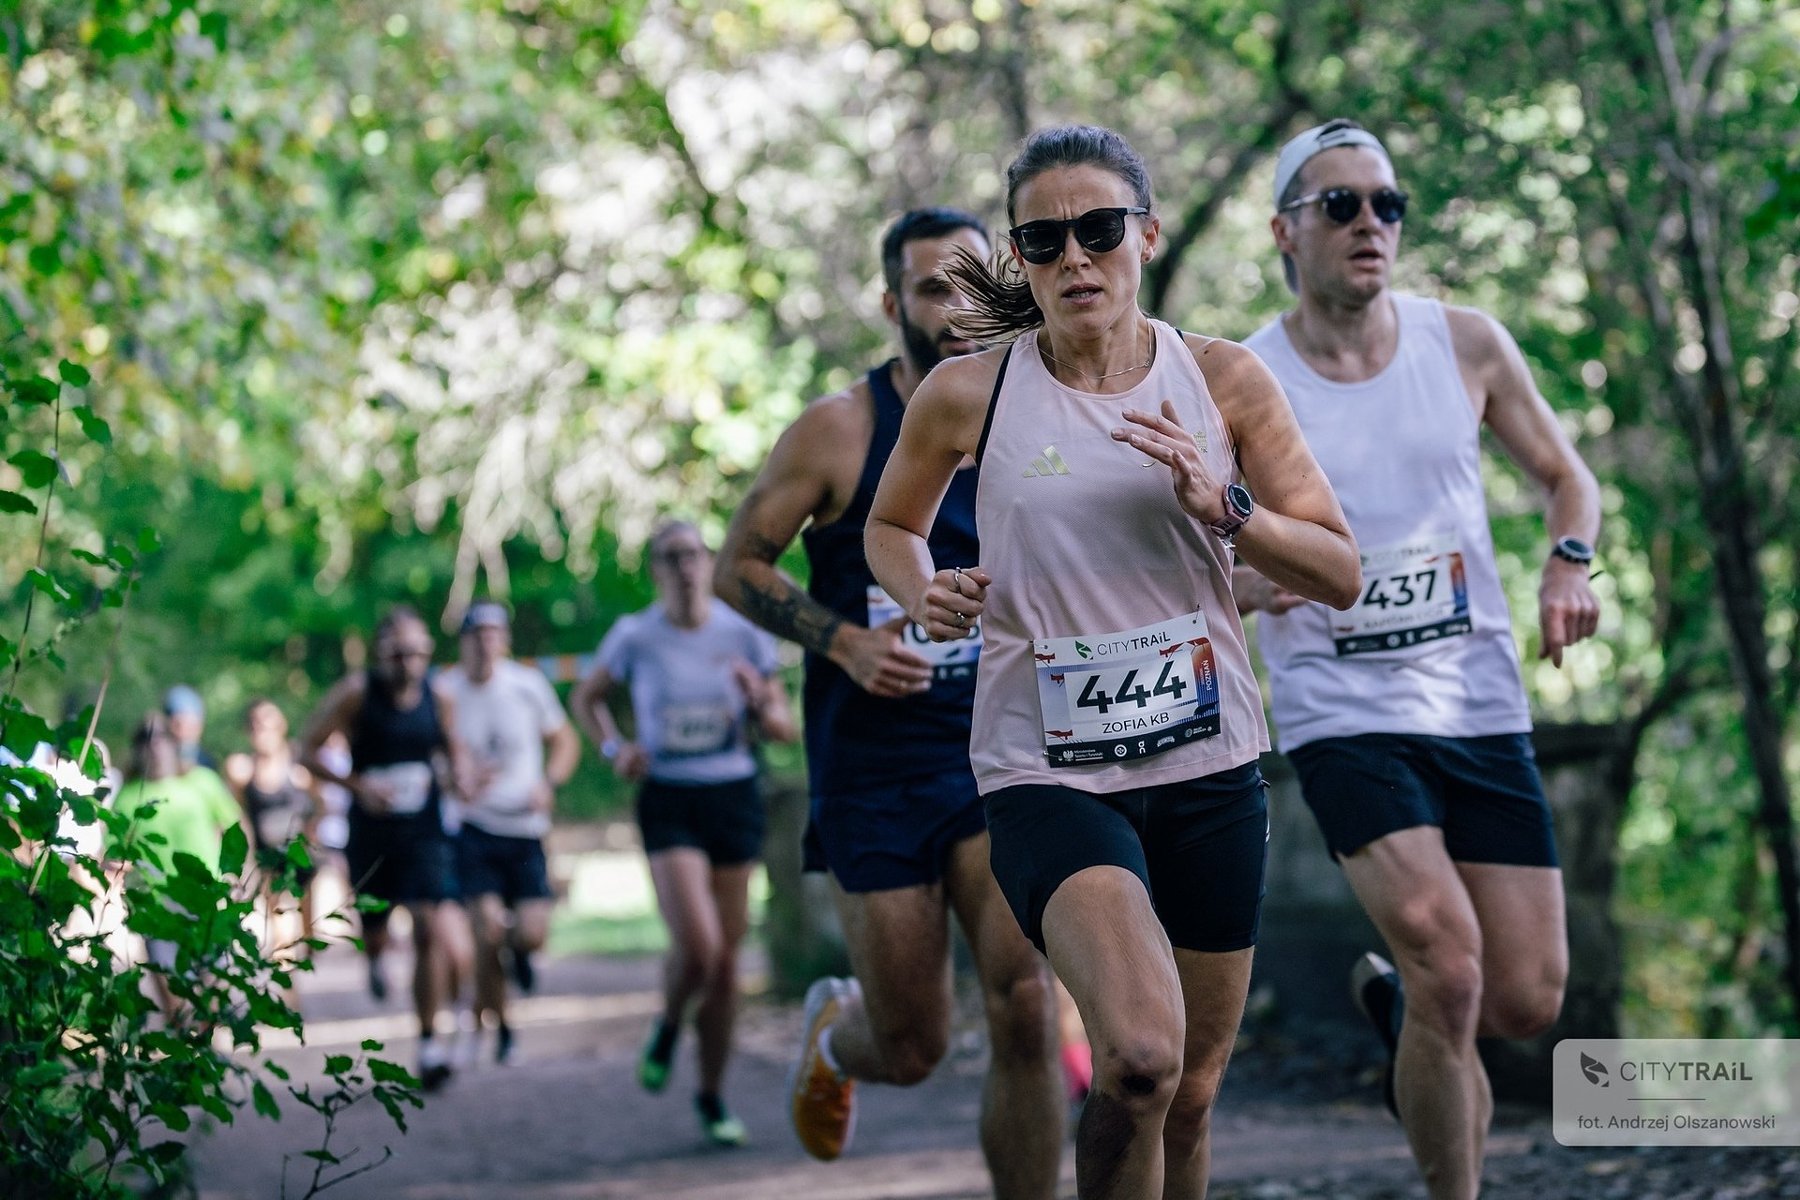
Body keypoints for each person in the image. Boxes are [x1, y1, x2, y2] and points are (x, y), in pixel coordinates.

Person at [864, 125, 1360, 1200]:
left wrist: (1225, 508)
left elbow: (1337, 568)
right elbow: (890, 526)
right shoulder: (968, 392)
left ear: (1146, 233)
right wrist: (921, 590)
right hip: (1047, 771)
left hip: (1208, 765)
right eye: (1044, 241)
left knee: (1188, 1096)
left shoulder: (1223, 380)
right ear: (1019, 259)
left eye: (1097, 230)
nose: (1074, 259)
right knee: (1137, 1059)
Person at [1235, 119, 1601, 1200]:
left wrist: (1568, 566)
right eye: (1340, 205)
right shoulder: (1242, 379)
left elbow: (1565, 479)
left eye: (1386, 205)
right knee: (1453, 965)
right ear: (1284, 232)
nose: (1369, 225)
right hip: (1341, 711)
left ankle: (1401, 1008)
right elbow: (1212, 565)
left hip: (1474, 699)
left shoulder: (1468, 344)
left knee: (1526, 1000)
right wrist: (1281, 576)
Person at [714, 207, 1066, 1198]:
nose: (955, 307)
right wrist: (846, 642)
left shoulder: (1033, 415)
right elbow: (734, 566)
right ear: (889, 303)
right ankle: (839, 1036)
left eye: (970, 280)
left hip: (998, 755)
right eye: (928, 288)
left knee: (1027, 1007)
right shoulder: (839, 430)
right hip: (871, 772)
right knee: (914, 1045)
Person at [572, 521, 796, 1147]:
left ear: (709, 560)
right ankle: (671, 1021)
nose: (686, 568)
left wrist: (760, 703)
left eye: (695, 555)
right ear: (655, 570)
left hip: (731, 795)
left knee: (725, 971)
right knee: (700, 948)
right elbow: (586, 698)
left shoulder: (742, 631)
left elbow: (783, 727)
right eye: (671, 558)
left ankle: (712, 1095)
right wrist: (615, 747)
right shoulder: (636, 636)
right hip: (669, 796)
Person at [298, 606, 475, 1091]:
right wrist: (357, 787)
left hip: (423, 830)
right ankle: (374, 958)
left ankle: (428, 1042)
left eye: (417, 652)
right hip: (372, 831)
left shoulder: (438, 698)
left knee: (427, 927)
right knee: (375, 929)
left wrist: (460, 774)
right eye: (398, 653)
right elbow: (305, 750)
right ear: (380, 653)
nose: (408, 662)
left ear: (427, 653)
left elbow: (451, 746)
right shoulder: (356, 694)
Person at [439, 600, 581, 1066]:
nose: (485, 642)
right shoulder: (445, 691)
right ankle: (503, 1028)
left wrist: (549, 783)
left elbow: (565, 741)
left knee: (531, 934)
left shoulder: (528, 686)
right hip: (473, 827)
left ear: (505, 640)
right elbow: (429, 750)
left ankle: (522, 954)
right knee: (487, 932)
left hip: (524, 827)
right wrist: (451, 777)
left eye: (494, 633)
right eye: (476, 633)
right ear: (462, 641)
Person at [110, 711, 248, 1022]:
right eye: (146, 738)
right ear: (137, 748)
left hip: (205, 896)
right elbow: (113, 854)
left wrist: (236, 874)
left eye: (162, 737)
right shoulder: (129, 797)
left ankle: (206, 1051)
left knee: (212, 983)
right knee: (174, 996)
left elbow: (235, 829)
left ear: (174, 743)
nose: (155, 745)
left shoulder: (202, 781)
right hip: (156, 907)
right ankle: (187, 1052)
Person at [224, 699, 323, 956]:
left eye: (267, 724)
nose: (261, 730)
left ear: (281, 726)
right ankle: (286, 975)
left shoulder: (298, 769)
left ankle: (307, 961)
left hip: (300, 855)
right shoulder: (243, 771)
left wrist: (312, 830)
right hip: (267, 856)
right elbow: (236, 813)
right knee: (277, 924)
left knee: (307, 924)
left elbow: (320, 804)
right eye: (255, 725)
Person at [163, 685, 218, 772]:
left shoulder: (207, 764)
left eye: (191, 726)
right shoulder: (155, 763)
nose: (183, 733)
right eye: (178, 725)